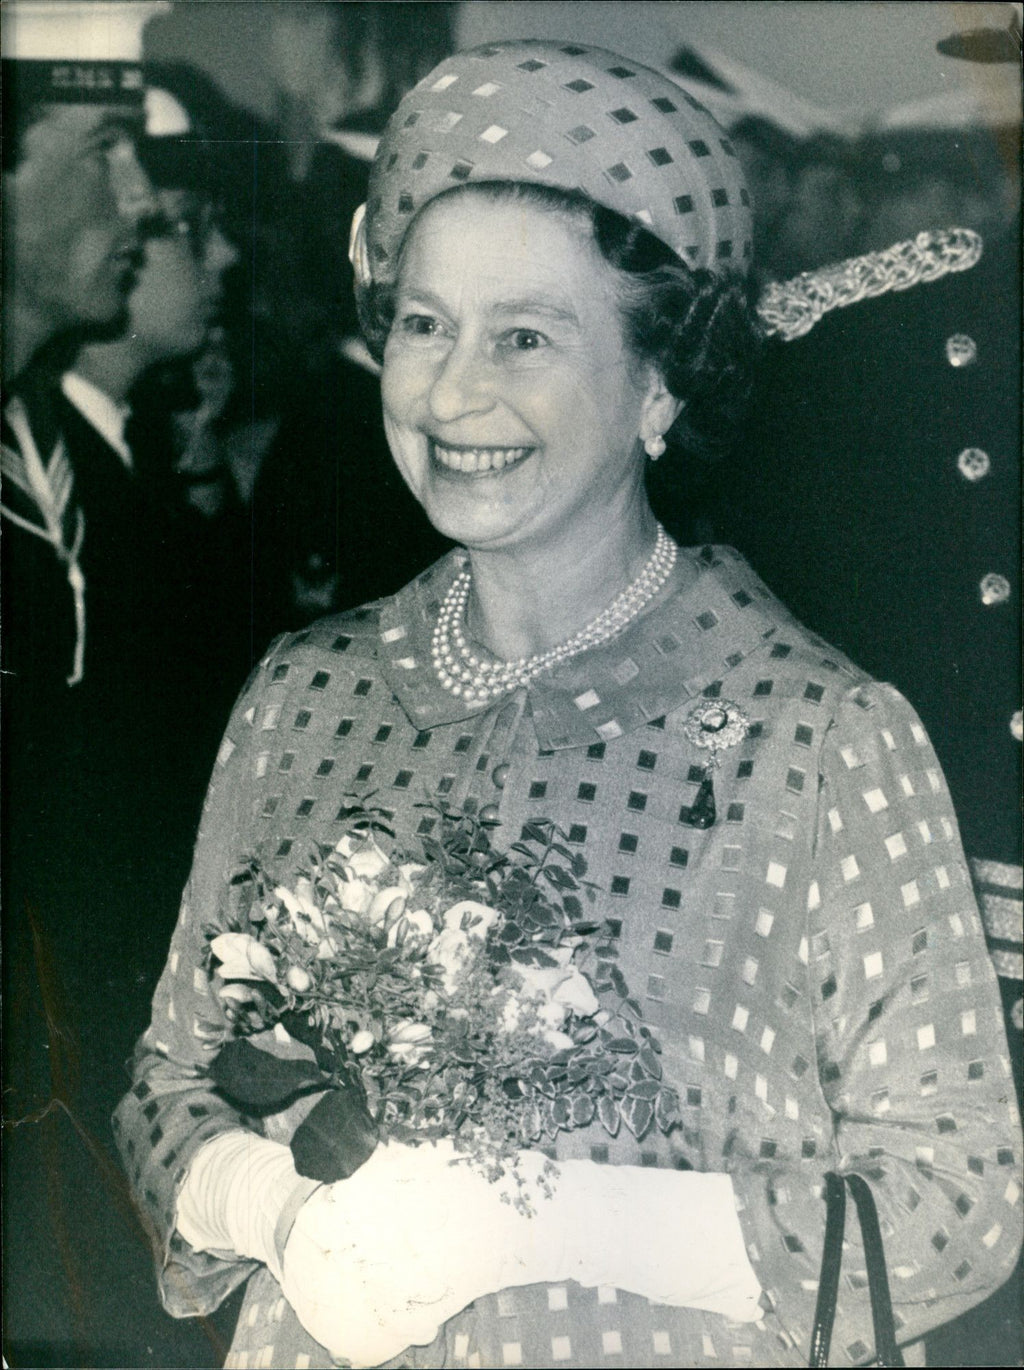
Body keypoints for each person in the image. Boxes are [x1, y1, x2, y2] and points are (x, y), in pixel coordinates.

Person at [115, 42, 1021, 1370]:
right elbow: (168, 1081)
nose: (452, 392)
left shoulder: (820, 735)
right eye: (423, 324)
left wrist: (532, 1226)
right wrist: (278, 1212)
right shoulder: (304, 692)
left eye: (527, 337)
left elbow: (957, 1204)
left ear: (662, 386)